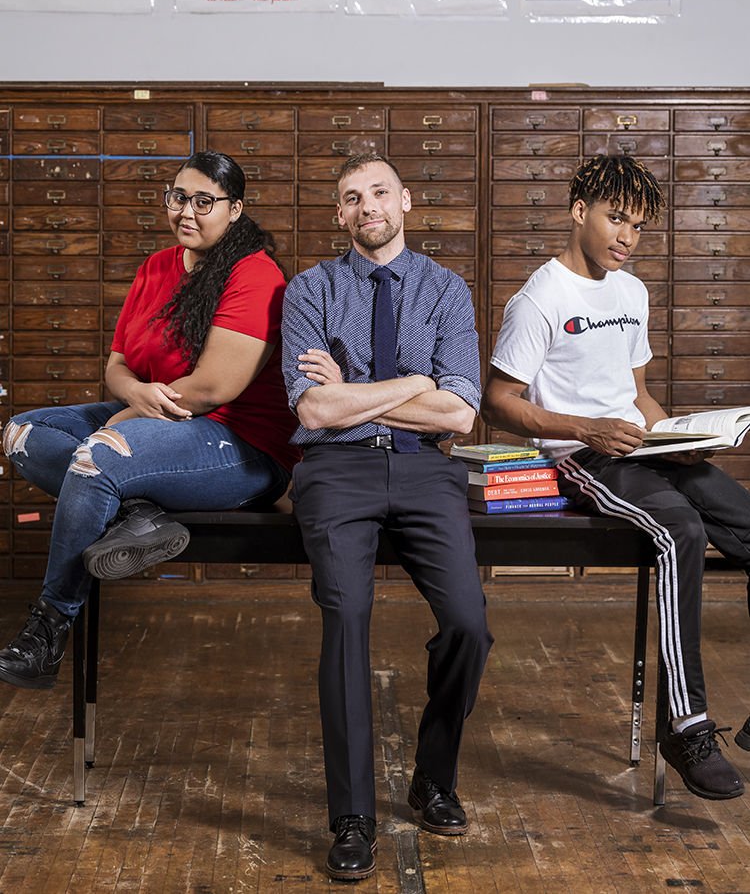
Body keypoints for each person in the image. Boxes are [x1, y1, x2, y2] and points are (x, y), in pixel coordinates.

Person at [481, 153, 750, 802]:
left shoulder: (632, 292)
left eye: (638, 226)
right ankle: (686, 727)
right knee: (680, 529)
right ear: (579, 211)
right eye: (616, 218)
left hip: (640, 443)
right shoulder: (540, 297)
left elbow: (637, 393)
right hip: (585, 454)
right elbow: (498, 400)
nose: (627, 236)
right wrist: (585, 429)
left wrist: (679, 438)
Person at [0, 150, 300, 691]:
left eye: (204, 201)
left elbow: (212, 390)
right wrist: (135, 395)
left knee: (99, 457)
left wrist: (126, 425)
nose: (186, 211)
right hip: (152, 414)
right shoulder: (157, 267)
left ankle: (48, 633)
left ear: (235, 209)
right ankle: (137, 506)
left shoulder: (257, 275)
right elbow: (116, 367)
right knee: (22, 434)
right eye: (178, 197)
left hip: (241, 445)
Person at [280, 153, 493, 881]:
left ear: (404, 198)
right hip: (335, 468)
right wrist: (411, 381)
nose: (366, 205)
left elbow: (459, 411)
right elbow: (314, 408)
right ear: (339, 214)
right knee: (345, 615)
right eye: (350, 198)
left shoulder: (446, 290)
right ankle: (352, 815)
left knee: (468, 620)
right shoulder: (310, 290)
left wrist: (360, 390)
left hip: (428, 468)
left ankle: (432, 776)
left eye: (378, 191)